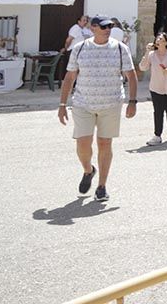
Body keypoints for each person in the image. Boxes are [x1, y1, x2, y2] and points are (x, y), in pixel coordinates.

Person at [56, 15, 138, 202]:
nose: (107, 29)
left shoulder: (119, 48)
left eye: (109, 26)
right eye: (103, 27)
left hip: (111, 104)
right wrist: (62, 105)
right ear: (93, 28)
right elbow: (70, 78)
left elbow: (132, 76)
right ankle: (88, 170)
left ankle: (102, 186)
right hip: (83, 104)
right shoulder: (80, 48)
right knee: (82, 143)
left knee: (104, 144)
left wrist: (133, 102)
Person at [61, 14, 91, 81]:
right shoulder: (76, 28)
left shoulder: (82, 29)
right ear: (79, 21)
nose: (85, 22)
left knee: (78, 70)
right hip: (73, 51)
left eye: (86, 20)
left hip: (79, 52)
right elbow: (68, 40)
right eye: (84, 20)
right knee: (73, 70)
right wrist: (66, 48)